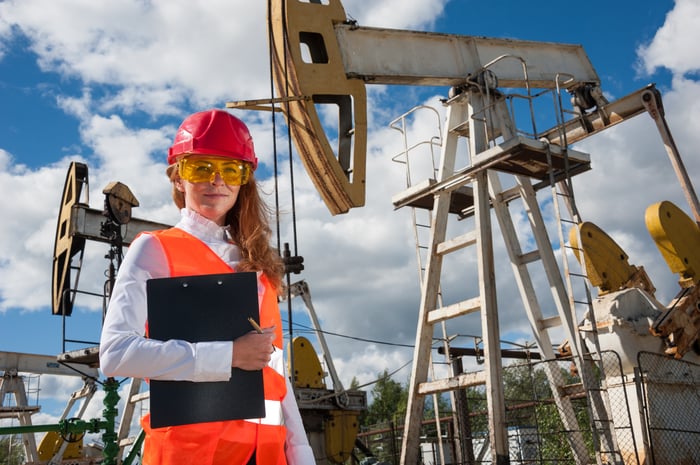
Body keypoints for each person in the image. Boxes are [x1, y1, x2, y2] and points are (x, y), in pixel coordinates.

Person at [99, 109, 315, 465]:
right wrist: (229, 355)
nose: (217, 180)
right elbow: (116, 354)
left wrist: (301, 453)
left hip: (267, 454)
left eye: (231, 169)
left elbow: (274, 370)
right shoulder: (155, 249)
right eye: (201, 168)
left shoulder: (258, 265)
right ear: (179, 179)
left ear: (244, 179)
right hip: (191, 455)